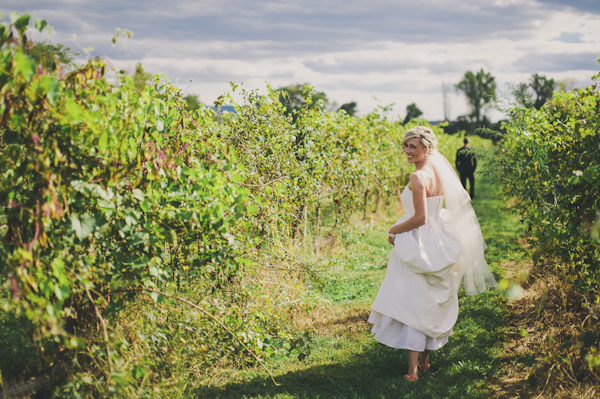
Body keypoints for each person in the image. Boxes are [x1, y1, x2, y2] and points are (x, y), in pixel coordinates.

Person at [368, 126, 496, 382]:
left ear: (426, 148)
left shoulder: (418, 178)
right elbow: (464, 198)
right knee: (431, 299)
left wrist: (393, 230)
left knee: (414, 301)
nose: (407, 151)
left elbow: (420, 218)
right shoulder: (439, 170)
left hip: (421, 240)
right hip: (439, 237)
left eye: (413, 146)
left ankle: (412, 371)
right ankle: (425, 361)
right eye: (405, 146)